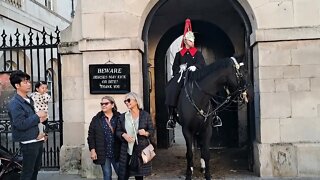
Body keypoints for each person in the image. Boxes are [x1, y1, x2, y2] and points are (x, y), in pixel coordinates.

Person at [165, 18, 206, 129]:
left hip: (195, 76)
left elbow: (202, 64)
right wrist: (180, 69)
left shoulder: (197, 53)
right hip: (182, 76)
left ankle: (214, 115)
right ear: (185, 41)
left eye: (193, 40)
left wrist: (195, 67)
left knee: (208, 86)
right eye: (190, 40)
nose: (192, 42)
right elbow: (174, 66)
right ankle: (171, 117)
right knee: (170, 88)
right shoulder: (179, 54)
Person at [7, 70, 48, 180]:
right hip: (29, 142)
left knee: (35, 170)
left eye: (28, 81)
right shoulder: (15, 103)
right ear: (17, 85)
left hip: (37, 139)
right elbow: (20, 124)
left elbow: (36, 120)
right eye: (25, 82)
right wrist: (37, 116)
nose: (29, 84)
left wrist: (43, 132)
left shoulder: (30, 99)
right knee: (27, 173)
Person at [116, 92, 154, 180]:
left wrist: (145, 133)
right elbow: (118, 131)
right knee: (123, 175)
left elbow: (152, 130)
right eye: (125, 101)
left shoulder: (145, 115)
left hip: (140, 150)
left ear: (136, 101)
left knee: (139, 176)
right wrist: (123, 135)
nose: (126, 102)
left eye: (128, 100)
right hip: (126, 150)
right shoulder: (123, 117)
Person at [87, 96, 120, 180]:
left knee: (122, 174)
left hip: (117, 152)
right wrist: (93, 151)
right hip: (103, 152)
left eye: (106, 103)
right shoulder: (96, 119)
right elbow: (91, 136)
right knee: (107, 175)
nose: (103, 105)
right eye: (102, 104)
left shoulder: (119, 117)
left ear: (112, 105)